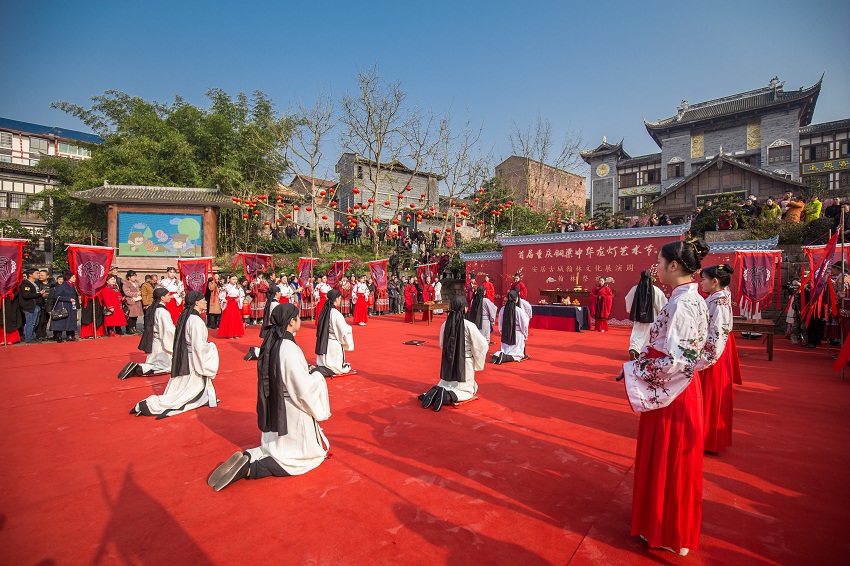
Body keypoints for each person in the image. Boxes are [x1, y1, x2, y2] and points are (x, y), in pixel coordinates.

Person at [620, 237, 710, 557]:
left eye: (659, 262)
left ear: (673, 266)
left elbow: (677, 361)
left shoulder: (682, 304)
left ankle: (668, 530)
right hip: (678, 389)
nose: (656, 267)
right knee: (671, 460)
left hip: (673, 392)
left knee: (669, 460)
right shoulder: (690, 298)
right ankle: (666, 525)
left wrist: (636, 369)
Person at [207, 304, 330, 491]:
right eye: (298, 318)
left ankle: (249, 456)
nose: (299, 321)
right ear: (291, 322)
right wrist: (317, 376)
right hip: (291, 410)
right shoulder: (289, 348)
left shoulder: (272, 343)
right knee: (300, 459)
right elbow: (303, 388)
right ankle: (250, 468)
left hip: (275, 404)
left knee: (274, 447)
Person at [131, 291, 218, 418]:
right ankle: (152, 403)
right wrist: (211, 347)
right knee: (184, 392)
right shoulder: (195, 321)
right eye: (203, 299)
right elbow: (199, 346)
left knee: (181, 386)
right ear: (196, 302)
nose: (206, 302)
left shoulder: (187, 317)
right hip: (192, 360)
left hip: (186, 356)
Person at [419, 296, 488, 411]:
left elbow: (442, 344)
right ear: (465, 309)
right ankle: (446, 396)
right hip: (465, 362)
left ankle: (434, 392)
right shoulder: (469, 325)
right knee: (466, 391)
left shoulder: (445, 324)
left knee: (446, 384)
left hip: (449, 360)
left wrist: (450, 354)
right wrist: (476, 361)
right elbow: (482, 345)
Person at [697, 264, 739, 454]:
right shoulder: (718, 297)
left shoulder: (719, 302)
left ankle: (708, 438)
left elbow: (717, 335)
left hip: (714, 354)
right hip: (713, 351)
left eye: (704, 279)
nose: (701, 283)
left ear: (714, 281)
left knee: (711, 395)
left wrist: (705, 359)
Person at [118, 288, 176, 379]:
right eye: (168, 295)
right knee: (165, 367)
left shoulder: (156, 308)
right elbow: (168, 330)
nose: (170, 297)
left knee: (156, 363)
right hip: (161, 342)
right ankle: (138, 368)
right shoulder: (162, 312)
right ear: (162, 297)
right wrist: (174, 340)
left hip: (157, 341)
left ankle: (139, 368)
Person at [625, 270, 668, 359]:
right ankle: (644, 352)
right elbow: (662, 304)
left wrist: (632, 309)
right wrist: (660, 313)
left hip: (638, 314)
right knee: (649, 334)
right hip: (652, 315)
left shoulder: (635, 288)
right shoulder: (656, 290)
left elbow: (628, 299)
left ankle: (634, 349)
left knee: (637, 332)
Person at [315, 289, 354, 375]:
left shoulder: (324, 310)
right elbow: (343, 330)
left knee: (325, 364)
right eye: (340, 298)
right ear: (337, 299)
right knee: (335, 369)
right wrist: (349, 328)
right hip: (333, 344)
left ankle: (321, 367)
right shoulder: (336, 313)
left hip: (324, 341)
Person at [493, 289, 529, 364]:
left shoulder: (503, 309)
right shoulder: (519, 310)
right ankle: (505, 358)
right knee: (517, 355)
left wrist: (502, 332)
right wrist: (525, 334)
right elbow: (524, 325)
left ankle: (499, 355)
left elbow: (500, 322)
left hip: (506, 333)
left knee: (506, 351)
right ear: (516, 298)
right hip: (517, 334)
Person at [50, 270, 78, 342]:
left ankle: (70, 335)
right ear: (69, 278)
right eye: (73, 277)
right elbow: (57, 296)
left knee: (71, 321)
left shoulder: (73, 286)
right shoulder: (61, 286)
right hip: (63, 305)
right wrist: (68, 299)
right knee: (61, 321)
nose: (75, 278)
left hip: (71, 306)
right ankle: (58, 336)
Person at [19, 268, 42, 344]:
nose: (39, 275)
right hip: (29, 306)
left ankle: (32, 336)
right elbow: (26, 295)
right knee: (30, 322)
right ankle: (28, 338)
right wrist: (39, 294)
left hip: (36, 305)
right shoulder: (26, 284)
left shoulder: (35, 283)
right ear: (30, 274)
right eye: (37, 273)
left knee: (35, 322)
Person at [218, 275, 245, 339]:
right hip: (228, 303)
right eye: (233, 279)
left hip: (235, 303)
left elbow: (242, 295)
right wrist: (223, 300)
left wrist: (239, 299)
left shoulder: (238, 287)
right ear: (229, 279)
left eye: (236, 279)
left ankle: (236, 333)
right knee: (229, 318)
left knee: (236, 318)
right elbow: (221, 295)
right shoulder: (225, 287)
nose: (235, 281)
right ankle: (229, 334)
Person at [123, 270, 144, 335]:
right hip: (131, 300)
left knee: (135, 315)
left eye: (135, 276)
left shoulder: (137, 283)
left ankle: (134, 327)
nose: (135, 278)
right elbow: (126, 292)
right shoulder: (126, 284)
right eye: (133, 276)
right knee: (130, 316)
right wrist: (136, 294)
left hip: (137, 300)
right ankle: (129, 328)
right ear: (129, 277)